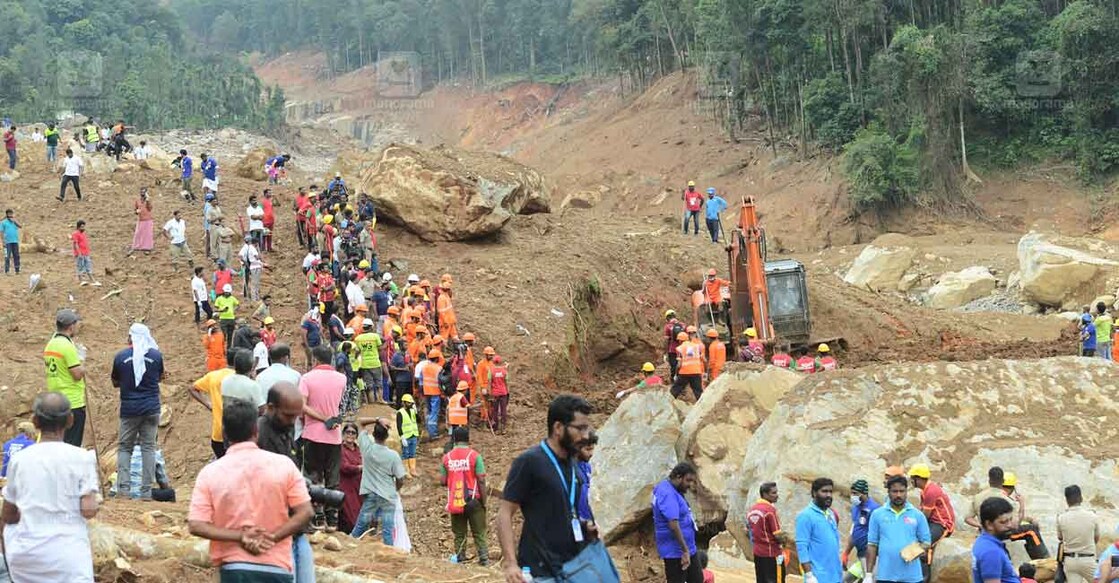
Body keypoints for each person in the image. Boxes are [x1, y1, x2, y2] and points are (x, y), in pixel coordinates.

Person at [188, 398, 313, 582]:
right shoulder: (283, 465)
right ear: (255, 431)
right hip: (277, 567)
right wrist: (272, 538)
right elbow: (306, 512)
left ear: (224, 434)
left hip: (233, 568)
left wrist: (241, 536)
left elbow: (196, 525)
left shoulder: (210, 473)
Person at [497, 395, 602, 582]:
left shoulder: (574, 466)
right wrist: (511, 563)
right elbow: (505, 513)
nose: (585, 436)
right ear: (559, 428)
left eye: (587, 428)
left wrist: (586, 528)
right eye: (580, 428)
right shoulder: (529, 462)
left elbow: (564, 512)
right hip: (539, 572)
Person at [1, 392, 100, 582]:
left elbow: (8, 515)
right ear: (70, 420)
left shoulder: (20, 460)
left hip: (25, 558)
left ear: (35, 421)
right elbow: (88, 510)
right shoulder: (82, 457)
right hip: (67, 559)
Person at [254, 380, 315, 582]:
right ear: (271, 408)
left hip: (294, 525)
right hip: (273, 528)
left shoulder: (285, 427)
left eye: (296, 416)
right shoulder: (257, 434)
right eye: (288, 415)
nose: (292, 421)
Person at [110, 323, 163, 501]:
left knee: (125, 448)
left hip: (129, 409)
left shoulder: (121, 357)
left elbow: (115, 381)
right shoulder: (156, 356)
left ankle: (123, 490)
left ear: (130, 337)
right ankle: (146, 492)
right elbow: (161, 377)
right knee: (149, 448)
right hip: (152, 408)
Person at [301, 344, 346, 531]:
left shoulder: (306, 378)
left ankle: (318, 518)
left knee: (314, 476)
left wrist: (321, 417)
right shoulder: (341, 379)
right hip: (334, 436)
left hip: (312, 434)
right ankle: (333, 519)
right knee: (333, 478)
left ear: (316, 360)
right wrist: (329, 417)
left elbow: (302, 406)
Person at [350, 418, 406, 544]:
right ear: (386, 436)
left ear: (373, 435)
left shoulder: (367, 448)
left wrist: (377, 419)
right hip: (387, 496)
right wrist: (395, 489)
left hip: (370, 495)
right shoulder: (393, 455)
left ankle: (348, 546)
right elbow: (400, 478)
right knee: (387, 530)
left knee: (360, 526)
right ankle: (390, 556)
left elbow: (360, 422)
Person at [866, 475, 931, 583]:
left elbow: (926, 542)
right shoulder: (877, 514)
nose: (898, 495)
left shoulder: (917, 515)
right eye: (894, 491)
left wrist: (914, 551)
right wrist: (868, 575)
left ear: (906, 492)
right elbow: (872, 545)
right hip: (885, 576)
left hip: (912, 577)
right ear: (888, 492)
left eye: (902, 491)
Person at [442, 426, 488, 565]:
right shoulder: (475, 456)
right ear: (468, 439)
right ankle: (484, 559)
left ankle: (460, 558)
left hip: (456, 501)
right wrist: (484, 501)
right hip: (473, 500)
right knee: (479, 532)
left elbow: (443, 481)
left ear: (454, 440)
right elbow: (481, 479)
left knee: (459, 534)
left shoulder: (446, 458)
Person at [44, 309, 88, 446]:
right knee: (71, 444)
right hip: (72, 402)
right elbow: (76, 374)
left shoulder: (50, 344)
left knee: (57, 443)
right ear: (71, 326)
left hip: (55, 401)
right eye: (76, 323)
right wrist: (83, 365)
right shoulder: (67, 346)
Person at [653, 463, 702, 583]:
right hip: (676, 552)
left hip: (689, 548)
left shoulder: (672, 489)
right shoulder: (667, 494)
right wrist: (684, 551)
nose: (690, 485)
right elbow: (673, 524)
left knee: (697, 579)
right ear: (678, 477)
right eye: (688, 480)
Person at [907, 464, 955, 583]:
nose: (911, 481)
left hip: (942, 524)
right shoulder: (925, 490)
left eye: (913, 478)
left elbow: (925, 515)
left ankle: (924, 578)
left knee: (924, 543)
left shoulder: (931, 491)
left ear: (918, 478)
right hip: (933, 522)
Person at [796, 477, 842, 583]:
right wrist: (809, 575)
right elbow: (802, 547)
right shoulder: (805, 516)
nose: (829, 495)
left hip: (835, 575)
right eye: (824, 491)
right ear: (814, 493)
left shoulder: (831, 514)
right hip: (818, 577)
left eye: (830, 491)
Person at [1056, 485, 1099, 583]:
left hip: (1070, 561)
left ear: (1066, 500)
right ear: (1081, 498)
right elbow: (1096, 538)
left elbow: (1060, 537)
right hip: (1088, 560)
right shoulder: (1092, 516)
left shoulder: (1061, 518)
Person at [971, 497, 1019, 583]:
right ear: (989, 524)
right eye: (1003, 522)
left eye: (1010, 520)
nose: (1010, 525)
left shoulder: (983, 542)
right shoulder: (991, 552)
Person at [748, 482, 787, 583]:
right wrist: (785, 542)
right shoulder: (770, 510)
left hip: (758, 554)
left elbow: (750, 531)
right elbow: (777, 535)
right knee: (777, 580)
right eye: (773, 493)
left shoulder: (752, 510)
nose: (777, 495)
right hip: (772, 554)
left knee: (761, 579)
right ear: (765, 494)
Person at [844, 479, 880, 573]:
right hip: (860, 554)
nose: (853, 496)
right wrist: (846, 553)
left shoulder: (874, 509)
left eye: (855, 493)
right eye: (852, 493)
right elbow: (854, 530)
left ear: (864, 493)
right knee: (846, 580)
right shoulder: (855, 508)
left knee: (869, 579)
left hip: (871, 555)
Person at [339, 423, 363, 534]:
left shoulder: (358, 450)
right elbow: (344, 467)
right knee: (349, 516)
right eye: (348, 432)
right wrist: (359, 468)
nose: (350, 435)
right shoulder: (340, 449)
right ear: (343, 434)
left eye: (353, 433)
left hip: (358, 487)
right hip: (346, 487)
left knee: (359, 513)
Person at [354, 319, 385, 404]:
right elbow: (379, 348)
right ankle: (380, 399)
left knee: (369, 385)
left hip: (365, 364)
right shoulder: (375, 336)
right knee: (378, 382)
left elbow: (357, 351)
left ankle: (371, 402)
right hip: (375, 362)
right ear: (371, 327)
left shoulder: (358, 338)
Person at [416, 349, 444, 440]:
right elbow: (442, 382)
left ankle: (428, 430)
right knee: (434, 412)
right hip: (435, 392)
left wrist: (421, 393)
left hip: (426, 392)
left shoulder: (424, 368)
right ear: (436, 358)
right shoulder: (439, 368)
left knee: (428, 411)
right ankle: (433, 434)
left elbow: (420, 382)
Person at [671, 332, 705, 401]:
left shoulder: (680, 348)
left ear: (680, 341)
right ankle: (703, 405)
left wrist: (676, 373)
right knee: (698, 392)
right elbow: (702, 358)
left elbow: (679, 364)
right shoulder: (696, 346)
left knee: (675, 389)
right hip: (696, 372)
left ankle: (669, 402)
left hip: (684, 372)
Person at [575, 431, 597, 522]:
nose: (591, 453)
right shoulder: (571, 471)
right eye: (588, 449)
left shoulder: (587, 466)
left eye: (592, 449)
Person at [397, 394, 420, 477]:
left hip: (413, 435)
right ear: (404, 402)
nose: (410, 404)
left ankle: (412, 470)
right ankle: (406, 471)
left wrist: (416, 413)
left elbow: (419, 421)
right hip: (406, 437)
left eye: (411, 403)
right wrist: (402, 437)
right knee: (405, 454)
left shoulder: (412, 411)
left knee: (412, 453)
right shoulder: (400, 412)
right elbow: (399, 426)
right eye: (409, 403)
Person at [239, 236, 265, 301]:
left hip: (251, 265)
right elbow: (241, 255)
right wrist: (245, 262)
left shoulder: (250, 247)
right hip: (250, 266)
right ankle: (249, 296)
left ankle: (254, 296)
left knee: (254, 282)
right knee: (250, 281)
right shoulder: (248, 247)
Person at [71, 219, 97, 285]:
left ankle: (92, 280)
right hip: (80, 254)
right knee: (80, 266)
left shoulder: (83, 234)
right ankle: (81, 280)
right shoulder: (75, 234)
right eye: (82, 227)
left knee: (88, 266)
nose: (83, 228)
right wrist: (79, 253)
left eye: (84, 226)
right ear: (78, 227)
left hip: (86, 253)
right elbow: (75, 244)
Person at [489, 355, 510, 433]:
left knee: (495, 410)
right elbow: (507, 382)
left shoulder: (491, 371)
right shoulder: (504, 371)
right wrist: (508, 392)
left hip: (495, 393)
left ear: (493, 362)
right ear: (500, 362)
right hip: (503, 393)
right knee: (503, 410)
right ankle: (503, 427)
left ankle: (496, 428)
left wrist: (489, 392)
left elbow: (489, 383)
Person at [131, 189, 155, 255]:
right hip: (140, 219)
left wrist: (147, 200)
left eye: (144, 192)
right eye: (141, 192)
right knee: (138, 233)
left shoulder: (148, 200)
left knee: (147, 234)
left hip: (148, 219)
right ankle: (137, 246)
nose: (142, 193)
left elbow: (150, 208)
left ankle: (147, 247)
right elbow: (135, 210)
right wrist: (136, 211)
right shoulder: (137, 200)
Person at [1, 208, 21, 274]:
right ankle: (7, 271)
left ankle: (17, 270)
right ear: (6, 214)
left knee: (16, 255)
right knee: (7, 256)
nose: (10, 215)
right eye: (9, 213)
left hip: (15, 241)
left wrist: (14, 221)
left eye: (11, 213)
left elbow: (20, 226)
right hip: (7, 242)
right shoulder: (3, 222)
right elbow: (1, 232)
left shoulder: (14, 222)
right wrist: (3, 241)